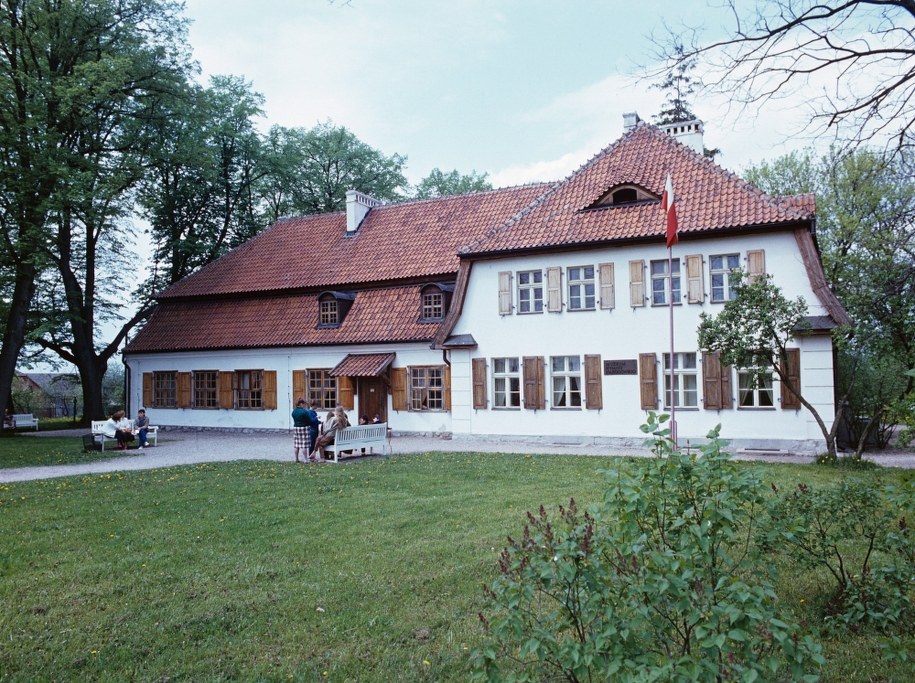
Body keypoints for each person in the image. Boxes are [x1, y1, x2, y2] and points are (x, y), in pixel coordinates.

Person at [291, 398, 312, 463]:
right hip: (304, 428)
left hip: (296, 428)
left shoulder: (294, 411)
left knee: (296, 444)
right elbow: (309, 420)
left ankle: (296, 459)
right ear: (300, 404)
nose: (304, 405)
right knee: (304, 445)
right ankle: (306, 460)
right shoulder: (304, 411)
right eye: (303, 404)